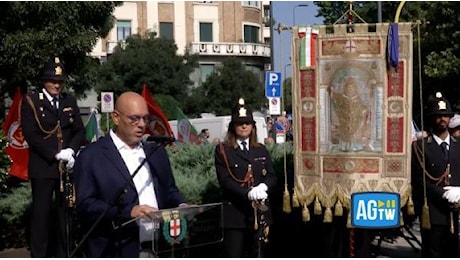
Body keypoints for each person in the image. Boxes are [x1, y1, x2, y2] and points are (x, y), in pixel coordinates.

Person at [73, 91, 188, 257]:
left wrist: (182, 206)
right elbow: (85, 205)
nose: (142, 124)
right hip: (117, 248)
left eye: (145, 118)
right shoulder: (92, 156)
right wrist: (128, 212)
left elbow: (169, 190)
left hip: (160, 245)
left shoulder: (156, 151)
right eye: (134, 118)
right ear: (116, 117)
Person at [20, 57, 85, 257]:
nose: (57, 85)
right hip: (44, 166)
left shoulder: (69, 100)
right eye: (52, 81)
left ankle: (64, 253)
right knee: (42, 214)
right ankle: (40, 255)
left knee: (65, 213)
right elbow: (31, 135)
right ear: (44, 81)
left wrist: (71, 150)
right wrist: (54, 153)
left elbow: (78, 131)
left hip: (66, 167)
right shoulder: (31, 101)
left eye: (60, 81)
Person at [214, 98, 277, 257]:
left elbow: (271, 175)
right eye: (239, 123)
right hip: (235, 215)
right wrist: (247, 192)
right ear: (233, 126)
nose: (244, 126)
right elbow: (225, 180)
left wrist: (264, 187)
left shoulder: (260, 149)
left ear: (252, 126)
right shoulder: (223, 150)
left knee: (259, 253)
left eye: (247, 123)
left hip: (260, 214)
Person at [411, 92, 460, 257]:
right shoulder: (420, 147)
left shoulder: (459, 146)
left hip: (457, 210)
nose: (442, 119)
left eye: (446, 115)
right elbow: (419, 180)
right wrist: (444, 194)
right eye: (438, 115)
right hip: (433, 212)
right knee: (434, 253)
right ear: (432, 118)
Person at [329, 77, 370, 152]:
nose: (350, 89)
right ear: (345, 88)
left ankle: (356, 147)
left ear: (355, 89)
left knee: (355, 134)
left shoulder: (357, 98)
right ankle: (344, 147)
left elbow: (361, 106)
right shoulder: (341, 97)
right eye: (348, 88)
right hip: (344, 119)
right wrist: (331, 91)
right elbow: (334, 96)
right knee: (345, 134)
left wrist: (364, 110)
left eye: (352, 88)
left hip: (355, 119)